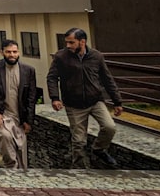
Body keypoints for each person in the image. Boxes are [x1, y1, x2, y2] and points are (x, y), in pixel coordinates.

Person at [47, 28, 123, 168]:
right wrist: (55, 98)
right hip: (74, 105)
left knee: (109, 127)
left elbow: (107, 79)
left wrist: (117, 101)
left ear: (82, 42)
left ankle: (99, 149)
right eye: (67, 43)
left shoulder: (96, 56)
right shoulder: (61, 57)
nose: (68, 46)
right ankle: (80, 172)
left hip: (95, 101)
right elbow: (52, 78)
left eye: (71, 42)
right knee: (79, 141)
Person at [0, 39, 38, 169]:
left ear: (19, 52)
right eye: (8, 52)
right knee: (5, 137)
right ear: (2, 52)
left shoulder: (28, 70)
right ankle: (10, 168)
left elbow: (31, 97)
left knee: (21, 148)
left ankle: (21, 175)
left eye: (14, 52)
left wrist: (28, 121)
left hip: (19, 115)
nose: (12, 55)